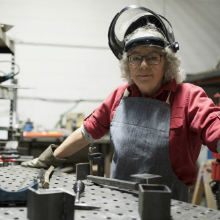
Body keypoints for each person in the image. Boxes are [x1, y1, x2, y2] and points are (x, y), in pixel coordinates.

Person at [21, 5, 220, 202]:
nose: (143, 65)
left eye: (153, 57)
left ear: (167, 62)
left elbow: (213, 126)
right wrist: (49, 159)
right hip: (118, 203)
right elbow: (87, 131)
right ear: (127, 64)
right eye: (135, 57)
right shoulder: (119, 96)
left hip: (170, 207)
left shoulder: (188, 97)